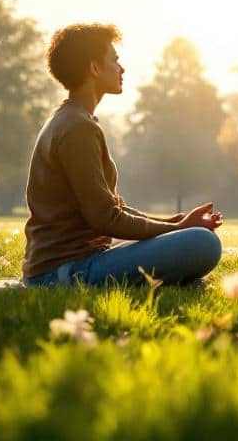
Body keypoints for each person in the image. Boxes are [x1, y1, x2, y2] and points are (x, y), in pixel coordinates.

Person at [22, 23, 223, 287]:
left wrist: (173, 222)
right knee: (202, 242)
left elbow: (108, 210)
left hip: (81, 258)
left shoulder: (73, 120)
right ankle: (174, 278)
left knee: (188, 238)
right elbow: (106, 219)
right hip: (63, 272)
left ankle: (172, 278)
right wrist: (178, 230)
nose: (121, 68)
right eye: (114, 60)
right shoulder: (76, 128)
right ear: (95, 68)